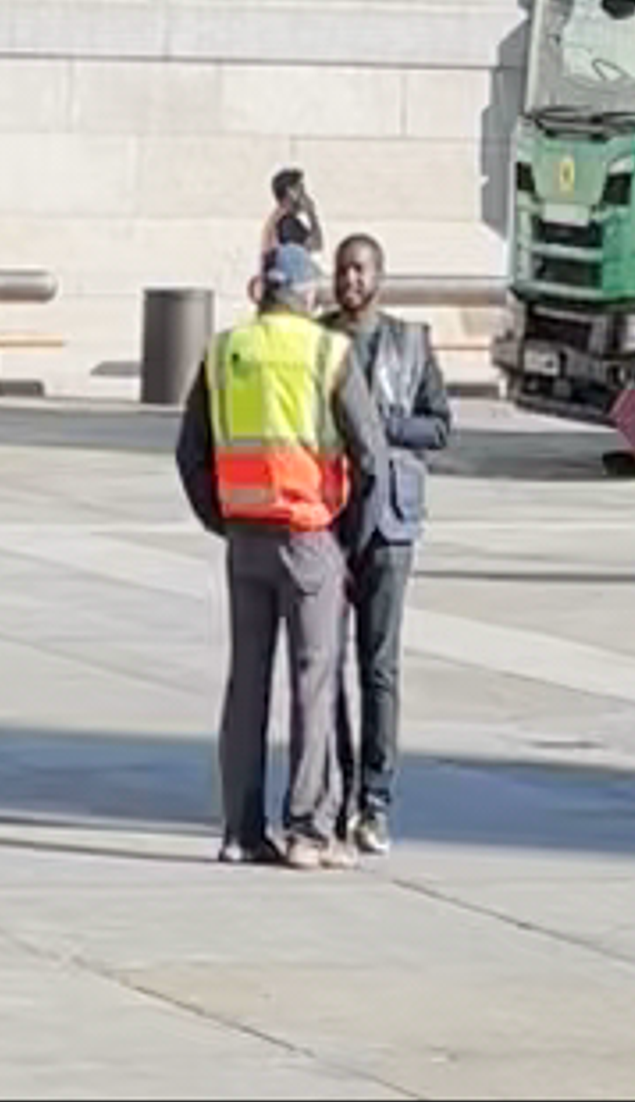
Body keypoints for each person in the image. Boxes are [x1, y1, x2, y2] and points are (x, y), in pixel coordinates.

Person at [175, 236, 373, 870]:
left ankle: (239, 830)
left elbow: (190, 453)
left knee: (246, 685)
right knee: (314, 684)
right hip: (309, 534)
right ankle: (308, 829)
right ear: (307, 293)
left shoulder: (224, 350)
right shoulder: (327, 351)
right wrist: (350, 537)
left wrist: (222, 519)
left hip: (245, 538)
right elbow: (371, 453)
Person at [325, 228, 452, 858]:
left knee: (379, 665)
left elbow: (440, 426)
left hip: (392, 520)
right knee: (325, 665)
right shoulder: (317, 340)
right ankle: (335, 787)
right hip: (328, 515)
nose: (351, 281)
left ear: (380, 276)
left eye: (361, 270)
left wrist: (377, 426)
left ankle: (376, 799)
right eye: (343, 270)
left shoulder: (409, 342)